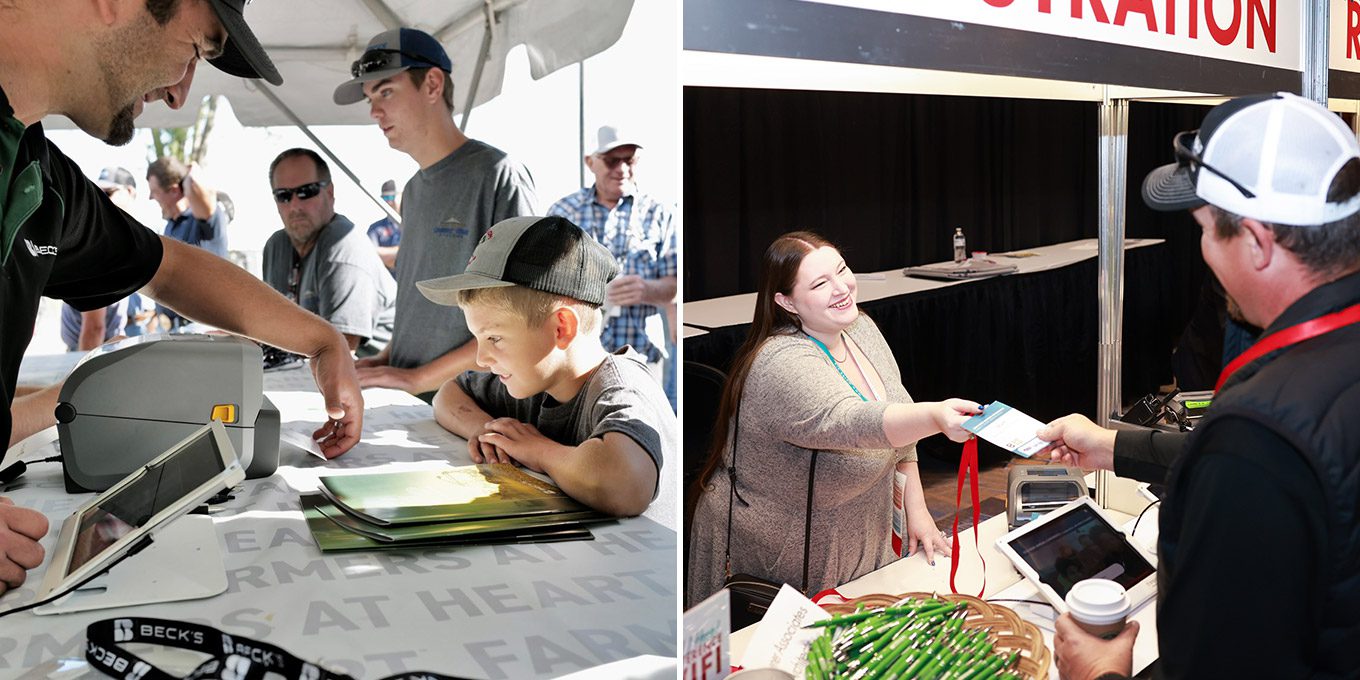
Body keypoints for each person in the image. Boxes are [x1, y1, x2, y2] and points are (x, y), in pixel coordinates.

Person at [0, 0, 363, 597]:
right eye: (196, 49)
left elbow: (165, 268)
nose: (178, 94)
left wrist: (321, 342)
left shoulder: (37, 173)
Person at [1051, 93, 1360, 679]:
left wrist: (1101, 673)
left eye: (1203, 230)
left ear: (1257, 243)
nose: (1203, 252)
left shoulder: (1259, 435)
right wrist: (1113, 446)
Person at [685, 231, 979, 607]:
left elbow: (899, 415)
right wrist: (936, 415)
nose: (842, 288)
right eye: (821, 283)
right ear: (786, 301)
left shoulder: (861, 328)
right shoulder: (781, 363)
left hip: (857, 528)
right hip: (783, 551)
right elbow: (852, 421)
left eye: (842, 270)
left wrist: (917, 510)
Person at [422, 215, 676, 525]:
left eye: (495, 338)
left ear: (561, 328)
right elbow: (450, 394)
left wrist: (538, 451)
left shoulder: (623, 387)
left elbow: (627, 485)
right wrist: (490, 432)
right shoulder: (534, 380)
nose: (481, 359)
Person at [334, 27, 536, 398]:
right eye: (370, 99)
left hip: (471, 407)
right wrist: (386, 360)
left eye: (386, 92)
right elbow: (418, 307)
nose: (375, 111)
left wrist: (417, 378)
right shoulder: (411, 190)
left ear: (431, 85)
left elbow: (522, 315)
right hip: (410, 402)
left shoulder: (497, 174)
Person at [548, 126, 677, 409]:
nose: (621, 169)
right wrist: (595, 291)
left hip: (643, 359)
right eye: (611, 160)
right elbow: (545, 283)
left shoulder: (660, 213)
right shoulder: (563, 212)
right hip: (578, 363)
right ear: (590, 162)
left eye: (629, 160)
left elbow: (675, 286)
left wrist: (646, 290)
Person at [262, 148, 397, 354]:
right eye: (283, 196)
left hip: (376, 372)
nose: (295, 205)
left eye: (307, 191)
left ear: (330, 192)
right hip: (309, 367)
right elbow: (272, 328)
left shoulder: (343, 246)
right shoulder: (276, 246)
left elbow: (341, 348)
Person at [61, 167, 140, 351]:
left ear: (130, 192)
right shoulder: (101, 240)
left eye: (109, 192)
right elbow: (93, 328)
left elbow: (95, 328)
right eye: (98, 193)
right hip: (88, 350)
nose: (101, 199)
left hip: (95, 351)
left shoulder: (112, 242)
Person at [367, 178, 401, 271]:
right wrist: (403, 251)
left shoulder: (415, 225)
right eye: (385, 198)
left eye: (391, 197)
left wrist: (385, 254)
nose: (388, 202)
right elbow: (369, 256)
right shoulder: (376, 229)